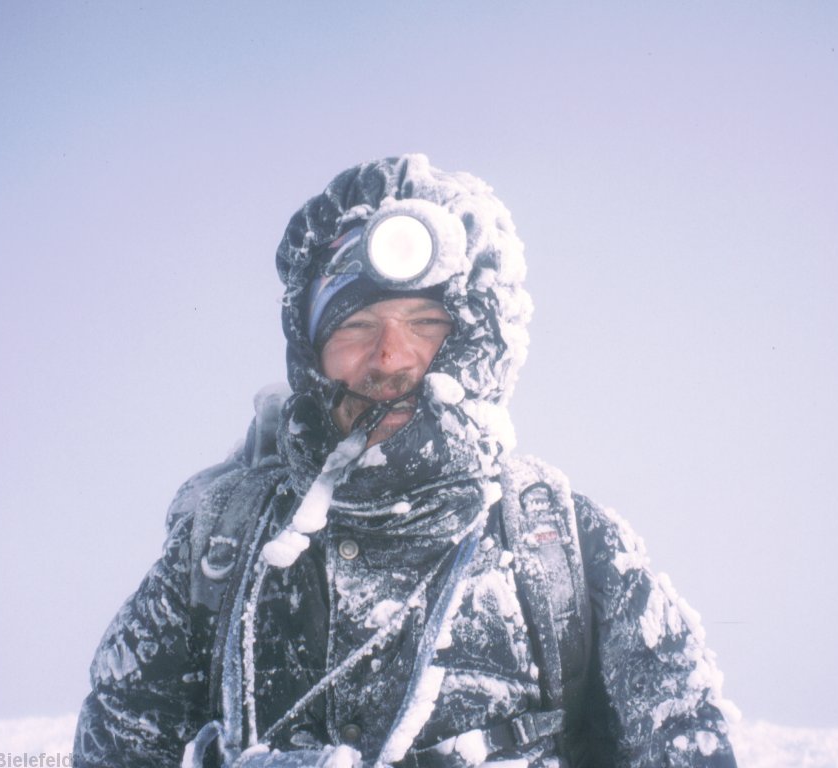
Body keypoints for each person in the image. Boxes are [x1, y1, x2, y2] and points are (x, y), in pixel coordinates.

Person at [73, 155, 738, 767]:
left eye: (426, 323)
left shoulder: (569, 552)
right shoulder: (219, 545)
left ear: (479, 340)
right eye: (356, 325)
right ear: (310, 350)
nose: (389, 358)